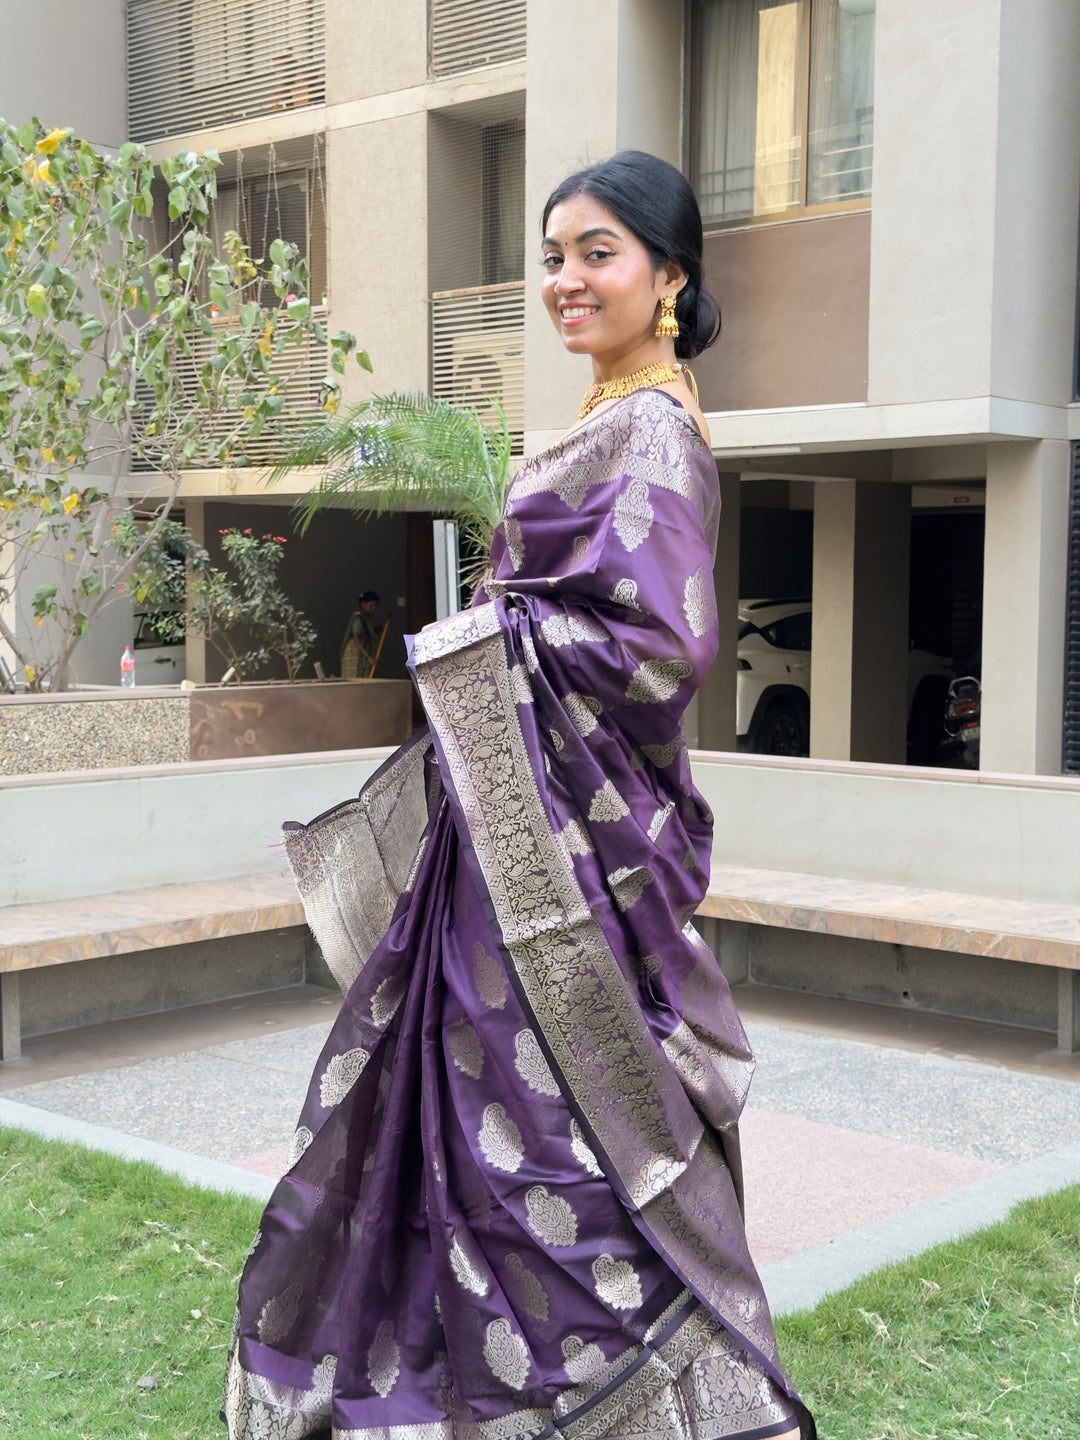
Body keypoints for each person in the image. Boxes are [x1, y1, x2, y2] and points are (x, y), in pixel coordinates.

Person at [223, 151, 815, 1440]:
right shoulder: (618, 414)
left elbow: (659, 646)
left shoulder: (652, 428)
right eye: (552, 255)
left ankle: (599, 1385)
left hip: (571, 848)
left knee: (555, 1108)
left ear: (670, 275)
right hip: (521, 830)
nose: (564, 280)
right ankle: (519, 1373)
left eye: (597, 252)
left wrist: (481, 647)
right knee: (496, 1093)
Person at [340, 590, 382, 678]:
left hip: (363, 652)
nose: (373, 608)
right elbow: (356, 638)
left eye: (375, 606)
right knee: (355, 676)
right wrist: (368, 657)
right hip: (356, 652)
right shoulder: (358, 618)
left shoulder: (366, 617)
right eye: (371, 605)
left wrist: (379, 629)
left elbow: (367, 632)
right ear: (363, 604)